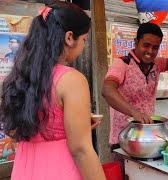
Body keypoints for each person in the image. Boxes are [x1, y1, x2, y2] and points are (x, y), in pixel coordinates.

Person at [0, 2, 105, 180]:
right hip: (60, 170)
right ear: (70, 37)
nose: (84, 46)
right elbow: (81, 150)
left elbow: (15, 128)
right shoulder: (72, 79)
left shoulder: (21, 76)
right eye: (85, 39)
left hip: (25, 169)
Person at [102, 22, 168, 148]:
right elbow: (107, 90)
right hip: (123, 139)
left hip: (148, 138)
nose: (150, 51)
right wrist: (134, 113)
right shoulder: (122, 64)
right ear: (136, 42)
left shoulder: (156, 64)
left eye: (155, 47)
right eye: (146, 45)